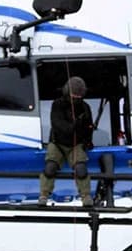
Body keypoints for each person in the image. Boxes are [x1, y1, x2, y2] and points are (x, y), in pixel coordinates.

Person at [39, 76, 95, 207]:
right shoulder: (57, 105)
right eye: (73, 97)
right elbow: (58, 125)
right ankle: (44, 195)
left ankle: (86, 196)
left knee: (81, 169)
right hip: (57, 143)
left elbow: (89, 127)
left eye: (78, 97)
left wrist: (88, 140)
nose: (75, 100)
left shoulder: (85, 107)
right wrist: (74, 125)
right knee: (50, 168)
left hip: (75, 145)